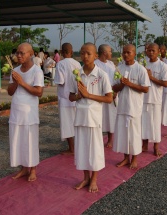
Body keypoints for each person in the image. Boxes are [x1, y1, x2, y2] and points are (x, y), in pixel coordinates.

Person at [68, 43, 113, 192]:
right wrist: (78, 96)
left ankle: (94, 179)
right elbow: (70, 97)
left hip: (94, 118)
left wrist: (88, 95)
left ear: (95, 56)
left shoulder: (101, 75)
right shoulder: (76, 73)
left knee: (94, 150)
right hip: (80, 117)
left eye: (88, 53)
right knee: (81, 149)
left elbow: (109, 98)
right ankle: (85, 178)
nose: (85, 56)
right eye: (82, 53)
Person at [7, 42, 44, 182]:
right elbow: (10, 92)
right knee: (18, 140)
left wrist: (22, 82)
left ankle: (33, 169)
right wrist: (16, 81)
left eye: (22, 53)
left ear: (31, 54)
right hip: (16, 111)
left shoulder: (37, 71)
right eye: (17, 52)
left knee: (30, 141)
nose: (19, 55)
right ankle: (23, 168)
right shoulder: (15, 70)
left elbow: (39, 92)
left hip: (29, 113)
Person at [112, 44, 150, 169]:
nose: (125, 55)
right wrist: (122, 85)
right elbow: (114, 87)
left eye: (128, 52)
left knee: (134, 134)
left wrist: (130, 84)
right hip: (122, 106)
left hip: (134, 107)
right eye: (124, 52)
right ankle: (125, 158)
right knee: (123, 134)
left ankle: (134, 158)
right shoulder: (119, 69)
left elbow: (145, 88)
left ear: (134, 53)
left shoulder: (140, 69)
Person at [142, 43, 167, 157]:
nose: (151, 52)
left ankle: (156, 147)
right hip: (143, 98)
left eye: (153, 50)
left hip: (155, 99)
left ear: (158, 52)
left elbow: (166, 83)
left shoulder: (162, 66)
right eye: (149, 50)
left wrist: (151, 77)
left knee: (155, 124)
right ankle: (144, 144)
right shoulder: (143, 64)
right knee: (144, 123)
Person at [54, 43, 81, 155]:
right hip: (76, 97)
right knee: (76, 122)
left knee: (67, 124)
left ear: (62, 51)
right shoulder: (78, 64)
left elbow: (60, 81)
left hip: (65, 98)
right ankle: (79, 147)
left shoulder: (60, 64)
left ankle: (71, 148)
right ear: (72, 51)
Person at [94, 44, 117, 148]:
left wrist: (115, 90)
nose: (111, 53)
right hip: (101, 94)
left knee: (111, 116)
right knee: (99, 117)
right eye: (110, 51)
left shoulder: (111, 64)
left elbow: (116, 77)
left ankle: (110, 139)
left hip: (112, 93)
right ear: (104, 53)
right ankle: (97, 139)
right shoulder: (95, 64)